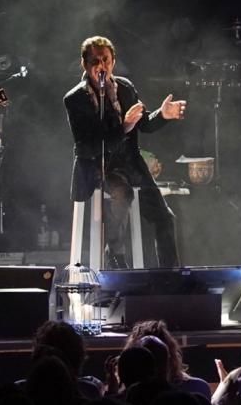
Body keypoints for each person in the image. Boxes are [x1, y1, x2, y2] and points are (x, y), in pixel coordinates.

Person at [64, 36, 186, 268]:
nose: (101, 66)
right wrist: (124, 127)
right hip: (98, 167)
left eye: (106, 60)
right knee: (123, 194)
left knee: (165, 217)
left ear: (113, 61)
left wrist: (163, 114)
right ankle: (115, 253)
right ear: (84, 64)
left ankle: (170, 276)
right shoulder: (75, 99)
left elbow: (144, 124)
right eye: (95, 61)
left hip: (131, 164)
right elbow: (86, 146)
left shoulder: (125, 87)